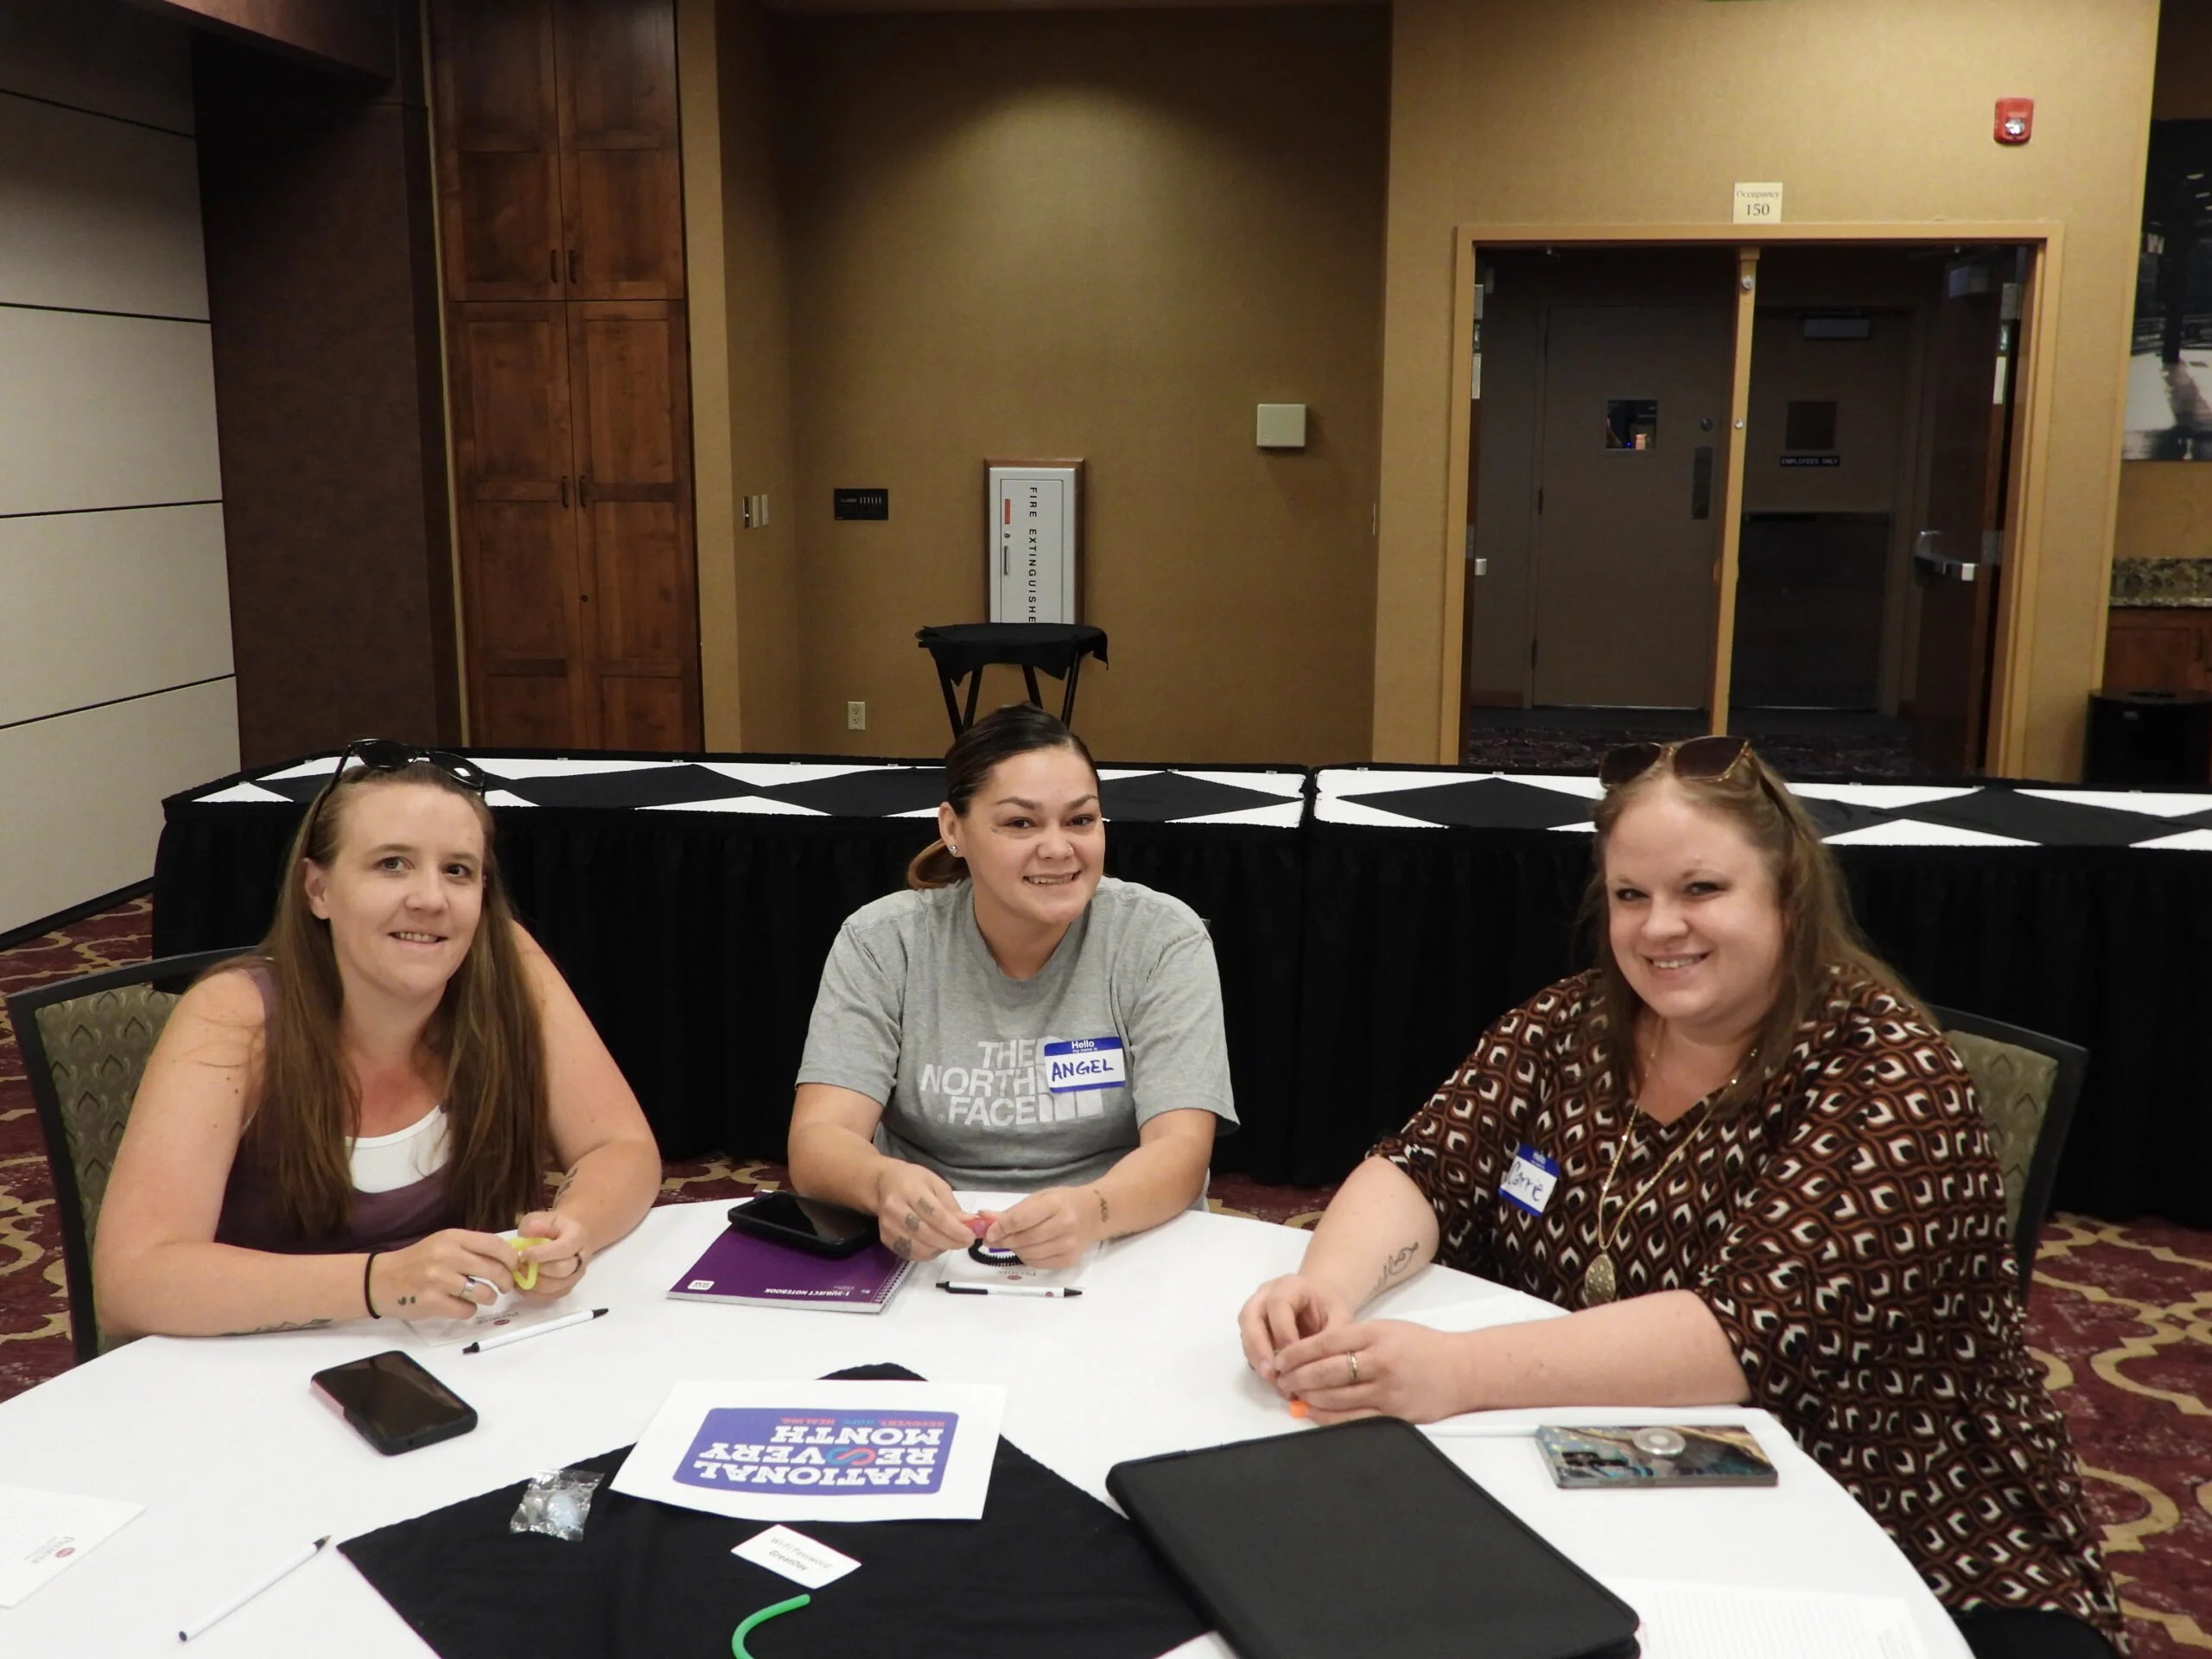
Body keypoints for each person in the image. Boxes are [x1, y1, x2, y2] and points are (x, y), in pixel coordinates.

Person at [1236, 736, 2122, 1655]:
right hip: (1617, 1478)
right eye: (1631, 895)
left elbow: (1742, 1332)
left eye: (1701, 889)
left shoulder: (1885, 1075)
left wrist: (1454, 1373)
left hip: (1905, 1531)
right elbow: (1425, 1167)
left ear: (1787, 894)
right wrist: (1326, 1291)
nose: (1659, 928)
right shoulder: (1573, 1023)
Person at [96, 741, 662, 1338]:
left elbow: (619, 1146)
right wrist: (380, 1283)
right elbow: (132, 1283)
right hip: (258, 1363)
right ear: (318, 890)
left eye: (457, 871)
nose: (430, 899)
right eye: (392, 864)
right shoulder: (235, 1014)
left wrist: (573, 1229)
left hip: (462, 1354)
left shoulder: (508, 965)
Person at [787, 704, 1235, 1268]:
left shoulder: (1161, 938)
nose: (1058, 848)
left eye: (1081, 820)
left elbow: (1182, 1150)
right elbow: (820, 1138)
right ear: (953, 829)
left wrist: (1092, 1210)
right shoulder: (883, 941)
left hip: (1118, 1240)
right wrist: (883, 1186)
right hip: (933, 1249)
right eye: (1021, 823)